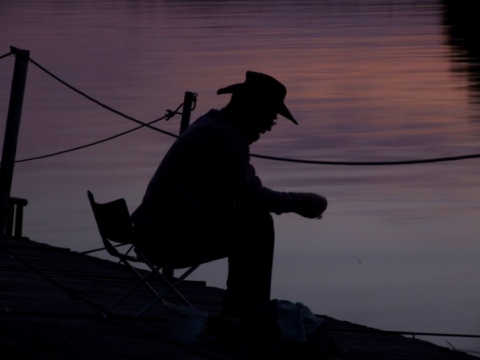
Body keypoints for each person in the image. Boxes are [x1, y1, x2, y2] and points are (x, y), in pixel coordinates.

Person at [131, 71, 328, 320]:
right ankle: (245, 317)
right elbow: (253, 196)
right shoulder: (224, 137)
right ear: (252, 109)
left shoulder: (212, 124)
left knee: (251, 220)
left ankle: (244, 313)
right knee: (257, 225)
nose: (269, 126)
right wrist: (300, 202)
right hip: (164, 239)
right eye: (270, 117)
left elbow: (238, 194)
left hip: (155, 228)